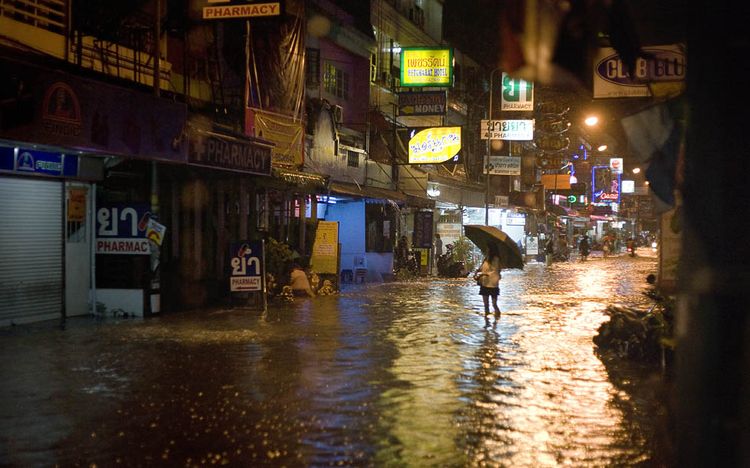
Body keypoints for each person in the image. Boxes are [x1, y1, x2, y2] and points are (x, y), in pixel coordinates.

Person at [474, 243, 502, 316]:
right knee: (487, 305)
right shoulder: (486, 259)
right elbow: (483, 268)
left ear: (491, 249)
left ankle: (494, 321)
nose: (486, 250)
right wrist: (478, 271)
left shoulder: (496, 259)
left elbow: (495, 271)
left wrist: (484, 273)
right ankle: (489, 322)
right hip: (485, 284)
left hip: (492, 284)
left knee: (494, 304)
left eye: (488, 248)